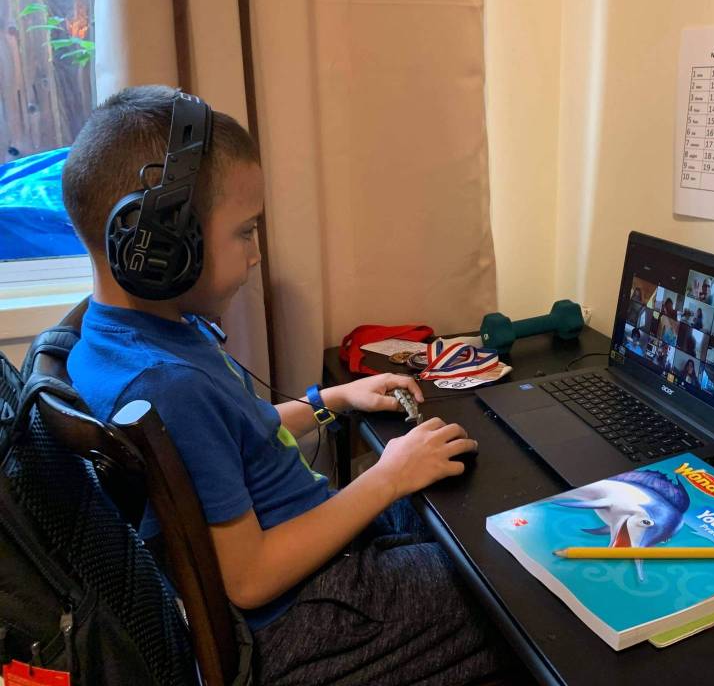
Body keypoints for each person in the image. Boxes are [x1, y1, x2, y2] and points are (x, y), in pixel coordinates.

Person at [63, 87, 504, 686]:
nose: (255, 255)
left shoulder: (115, 336)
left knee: (465, 514)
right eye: (244, 232)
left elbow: (233, 437)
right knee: (511, 595)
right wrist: (388, 475)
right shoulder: (166, 383)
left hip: (315, 582)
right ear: (162, 243)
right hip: (305, 614)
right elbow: (250, 576)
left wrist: (329, 401)